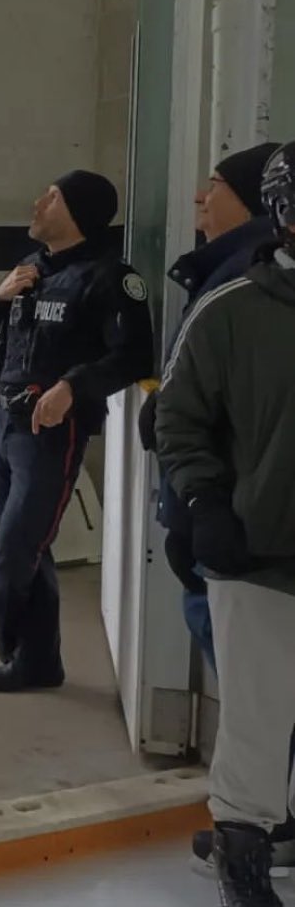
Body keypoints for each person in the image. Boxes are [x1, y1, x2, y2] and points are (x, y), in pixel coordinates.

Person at [156, 139, 295, 907]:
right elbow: (177, 418)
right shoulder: (235, 308)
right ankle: (242, 850)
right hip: (260, 550)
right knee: (256, 716)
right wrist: (207, 500)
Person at [0, 170, 154, 693]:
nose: (37, 202)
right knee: (26, 547)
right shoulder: (30, 270)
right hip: (4, 421)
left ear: (77, 212)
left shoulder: (108, 278)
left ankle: (8, 637)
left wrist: (73, 388)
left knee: (16, 549)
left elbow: (133, 355)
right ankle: (37, 664)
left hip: (51, 431)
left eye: (50, 197)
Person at [139, 142, 280, 669]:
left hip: (233, 516)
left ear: (252, 199)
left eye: (215, 185)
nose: (199, 195)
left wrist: (205, 503)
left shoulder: (247, 281)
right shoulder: (231, 273)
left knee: (248, 674)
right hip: (217, 507)